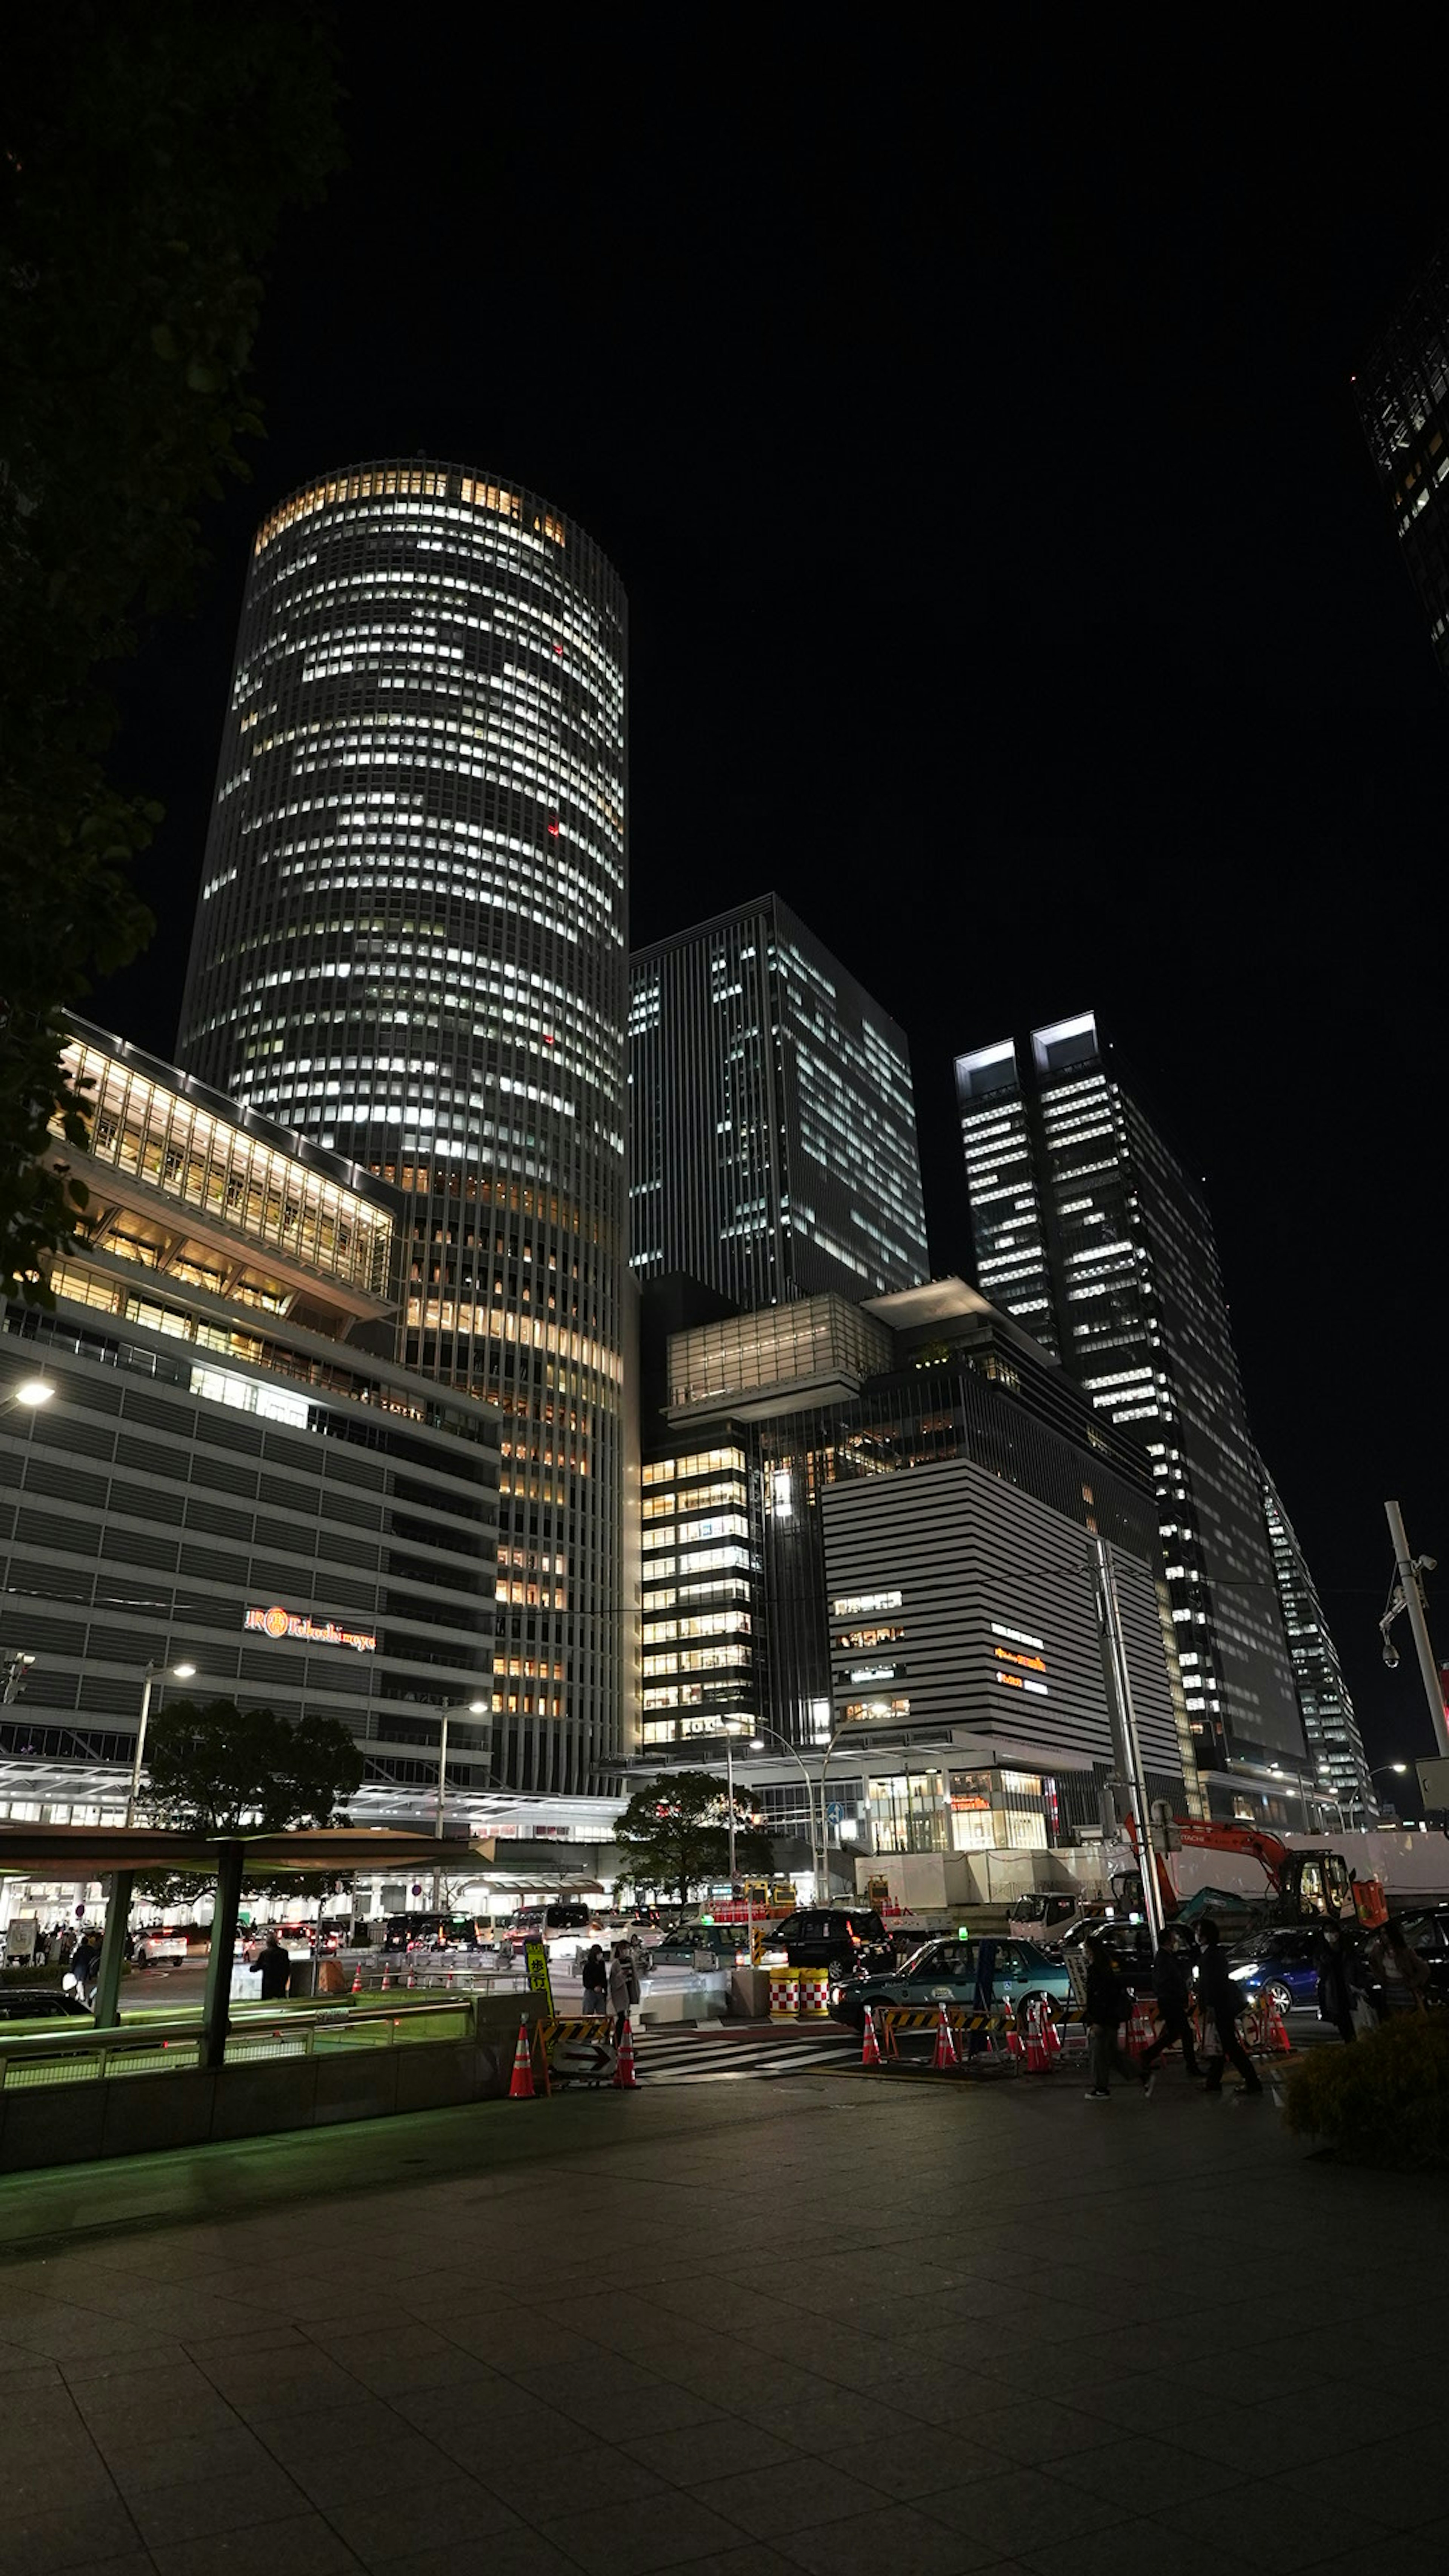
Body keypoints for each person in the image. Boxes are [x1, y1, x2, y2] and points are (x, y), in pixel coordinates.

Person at [1197, 1919, 1263, 2096]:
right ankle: (1214, 2082)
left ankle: (1252, 2082)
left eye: (1199, 1931)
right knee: (1222, 2046)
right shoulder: (1213, 1955)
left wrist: (1210, 2007)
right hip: (1221, 2006)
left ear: (1205, 1936)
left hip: (1219, 2008)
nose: (1197, 1935)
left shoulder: (1211, 1957)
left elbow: (1211, 1984)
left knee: (1230, 2046)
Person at [1083, 1933, 1148, 2099]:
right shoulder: (1106, 1967)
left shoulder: (1096, 1970)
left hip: (1103, 2020)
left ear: (1091, 1950)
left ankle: (1101, 2089)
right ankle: (1144, 2076)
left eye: (1085, 1948)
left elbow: (1098, 1998)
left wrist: (1095, 2021)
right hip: (1111, 2019)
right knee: (1114, 2055)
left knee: (1099, 2056)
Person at [1140, 1927, 1198, 2081]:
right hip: (1171, 2001)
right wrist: (1179, 1995)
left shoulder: (1166, 1957)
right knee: (1185, 2032)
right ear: (1168, 1941)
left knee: (1174, 2034)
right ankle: (1192, 2065)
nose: (1176, 1941)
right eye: (1174, 1938)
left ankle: (1147, 2056)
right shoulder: (1164, 1959)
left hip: (1170, 2001)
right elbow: (1166, 1982)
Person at [1369, 1918, 1432, 2016]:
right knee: (1396, 2019)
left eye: (1385, 1934)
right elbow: (1373, 1963)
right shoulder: (1379, 1950)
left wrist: (1413, 1983)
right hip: (1390, 1989)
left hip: (1404, 1989)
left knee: (1408, 2018)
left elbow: (1424, 1969)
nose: (1383, 1937)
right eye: (1381, 1934)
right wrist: (1380, 1978)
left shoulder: (1405, 1951)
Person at [1315, 1923, 1358, 2044]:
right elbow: (1321, 1974)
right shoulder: (1322, 1953)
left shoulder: (1346, 1949)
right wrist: (1324, 1963)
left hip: (1349, 1988)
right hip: (1334, 1991)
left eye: (1332, 1931)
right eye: (1327, 1932)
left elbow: (1356, 1968)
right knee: (1342, 2021)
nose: (1331, 1935)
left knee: (1354, 2019)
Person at [606, 1943, 632, 2046]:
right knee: (622, 2019)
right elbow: (614, 1982)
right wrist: (622, 1975)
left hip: (628, 1993)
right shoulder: (616, 1964)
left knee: (625, 2019)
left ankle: (624, 2043)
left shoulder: (630, 1961)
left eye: (627, 1949)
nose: (626, 1952)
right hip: (620, 1995)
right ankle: (617, 2044)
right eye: (624, 1950)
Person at [257, 1932, 292, 2000]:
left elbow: (257, 1967)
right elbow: (287, 1968)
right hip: (280, 1981)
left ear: (267, 1943)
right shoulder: (284, 1953)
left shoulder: (264, 1954)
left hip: (268, 1983)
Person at [581, 1943, 609, 2021]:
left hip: (600, 1992)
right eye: (598, 1954)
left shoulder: (602, 1964)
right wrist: (594, 1987)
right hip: (591, 1992)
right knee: (588, 2014)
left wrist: (605, 1990)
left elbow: (604, 1977)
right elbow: (586, 1981)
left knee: (602, 2014)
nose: (600, 1955)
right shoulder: (588, 1965)